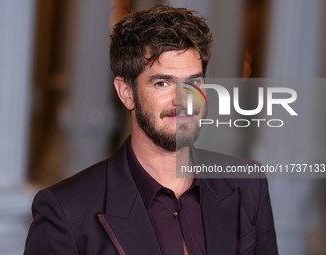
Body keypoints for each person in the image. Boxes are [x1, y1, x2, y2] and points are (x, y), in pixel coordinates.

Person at [24, 5, 278, 255]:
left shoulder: (248, 183)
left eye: (193, 82)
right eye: (162, 83)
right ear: (126, 93)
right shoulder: (66, 211)